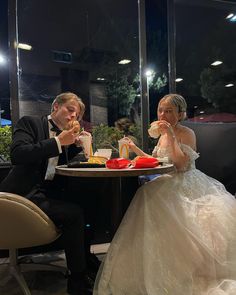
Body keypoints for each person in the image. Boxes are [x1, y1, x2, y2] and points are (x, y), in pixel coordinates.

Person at [93, 94, 236, 295]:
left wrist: (170, 134)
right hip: (165, 180)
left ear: (180, 113)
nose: (163, 114)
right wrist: (134, 149)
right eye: (161, 110)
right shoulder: (161, 135)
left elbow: (180, 164)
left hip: (185, 180)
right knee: (146, 192)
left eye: (169, 111)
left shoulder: (187, 133)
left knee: (148, 193)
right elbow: (156, 161)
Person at [0, 92, 95, 295]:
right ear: (55, 107)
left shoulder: (65, 137)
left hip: (46, 192)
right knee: (74, 214)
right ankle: (77, 281)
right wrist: (59, 142)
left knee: (88, 202)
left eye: (76, 115)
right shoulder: (31, 123)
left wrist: (76, 147)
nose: (73, 117)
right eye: (70, 110)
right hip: (21, 195)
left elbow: (54, 165)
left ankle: (87, 262)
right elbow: (18, 154)